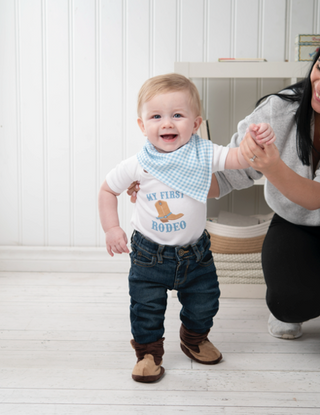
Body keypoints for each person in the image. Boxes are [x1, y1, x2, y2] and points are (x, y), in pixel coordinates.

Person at [130, 52, 320, 342]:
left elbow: (315, 198)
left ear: (196, 123)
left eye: (177, 115)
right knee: (289, 302)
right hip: (295, 222)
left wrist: (271, 165)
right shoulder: (278, 109)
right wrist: (156, 179)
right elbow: (228, 174)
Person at [98, 73, 275, 383]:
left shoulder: (203, 153)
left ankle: (194, 338)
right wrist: (112, 228)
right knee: (145, 308)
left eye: (177, 115)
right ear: (142, 125)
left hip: (195, 254)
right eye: (156, 116)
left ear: (195, 124)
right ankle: (148, 353)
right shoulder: (139, 164)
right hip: (148, 255)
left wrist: (251, 144)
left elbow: (235, 159)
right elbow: (107, 190)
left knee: (205, 301)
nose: (167, 123)